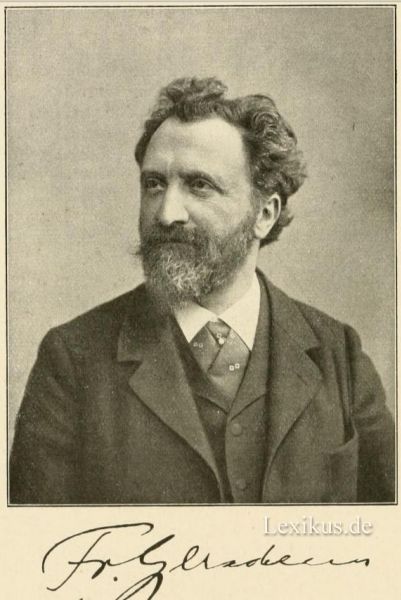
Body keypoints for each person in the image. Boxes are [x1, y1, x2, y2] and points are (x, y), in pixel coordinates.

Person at [10, 77, 395, 504]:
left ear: (264, 214)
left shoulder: (341, 357)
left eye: (199, 185)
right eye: (154, 184)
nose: (167, 213)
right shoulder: (72, 359)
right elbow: (39, 542)